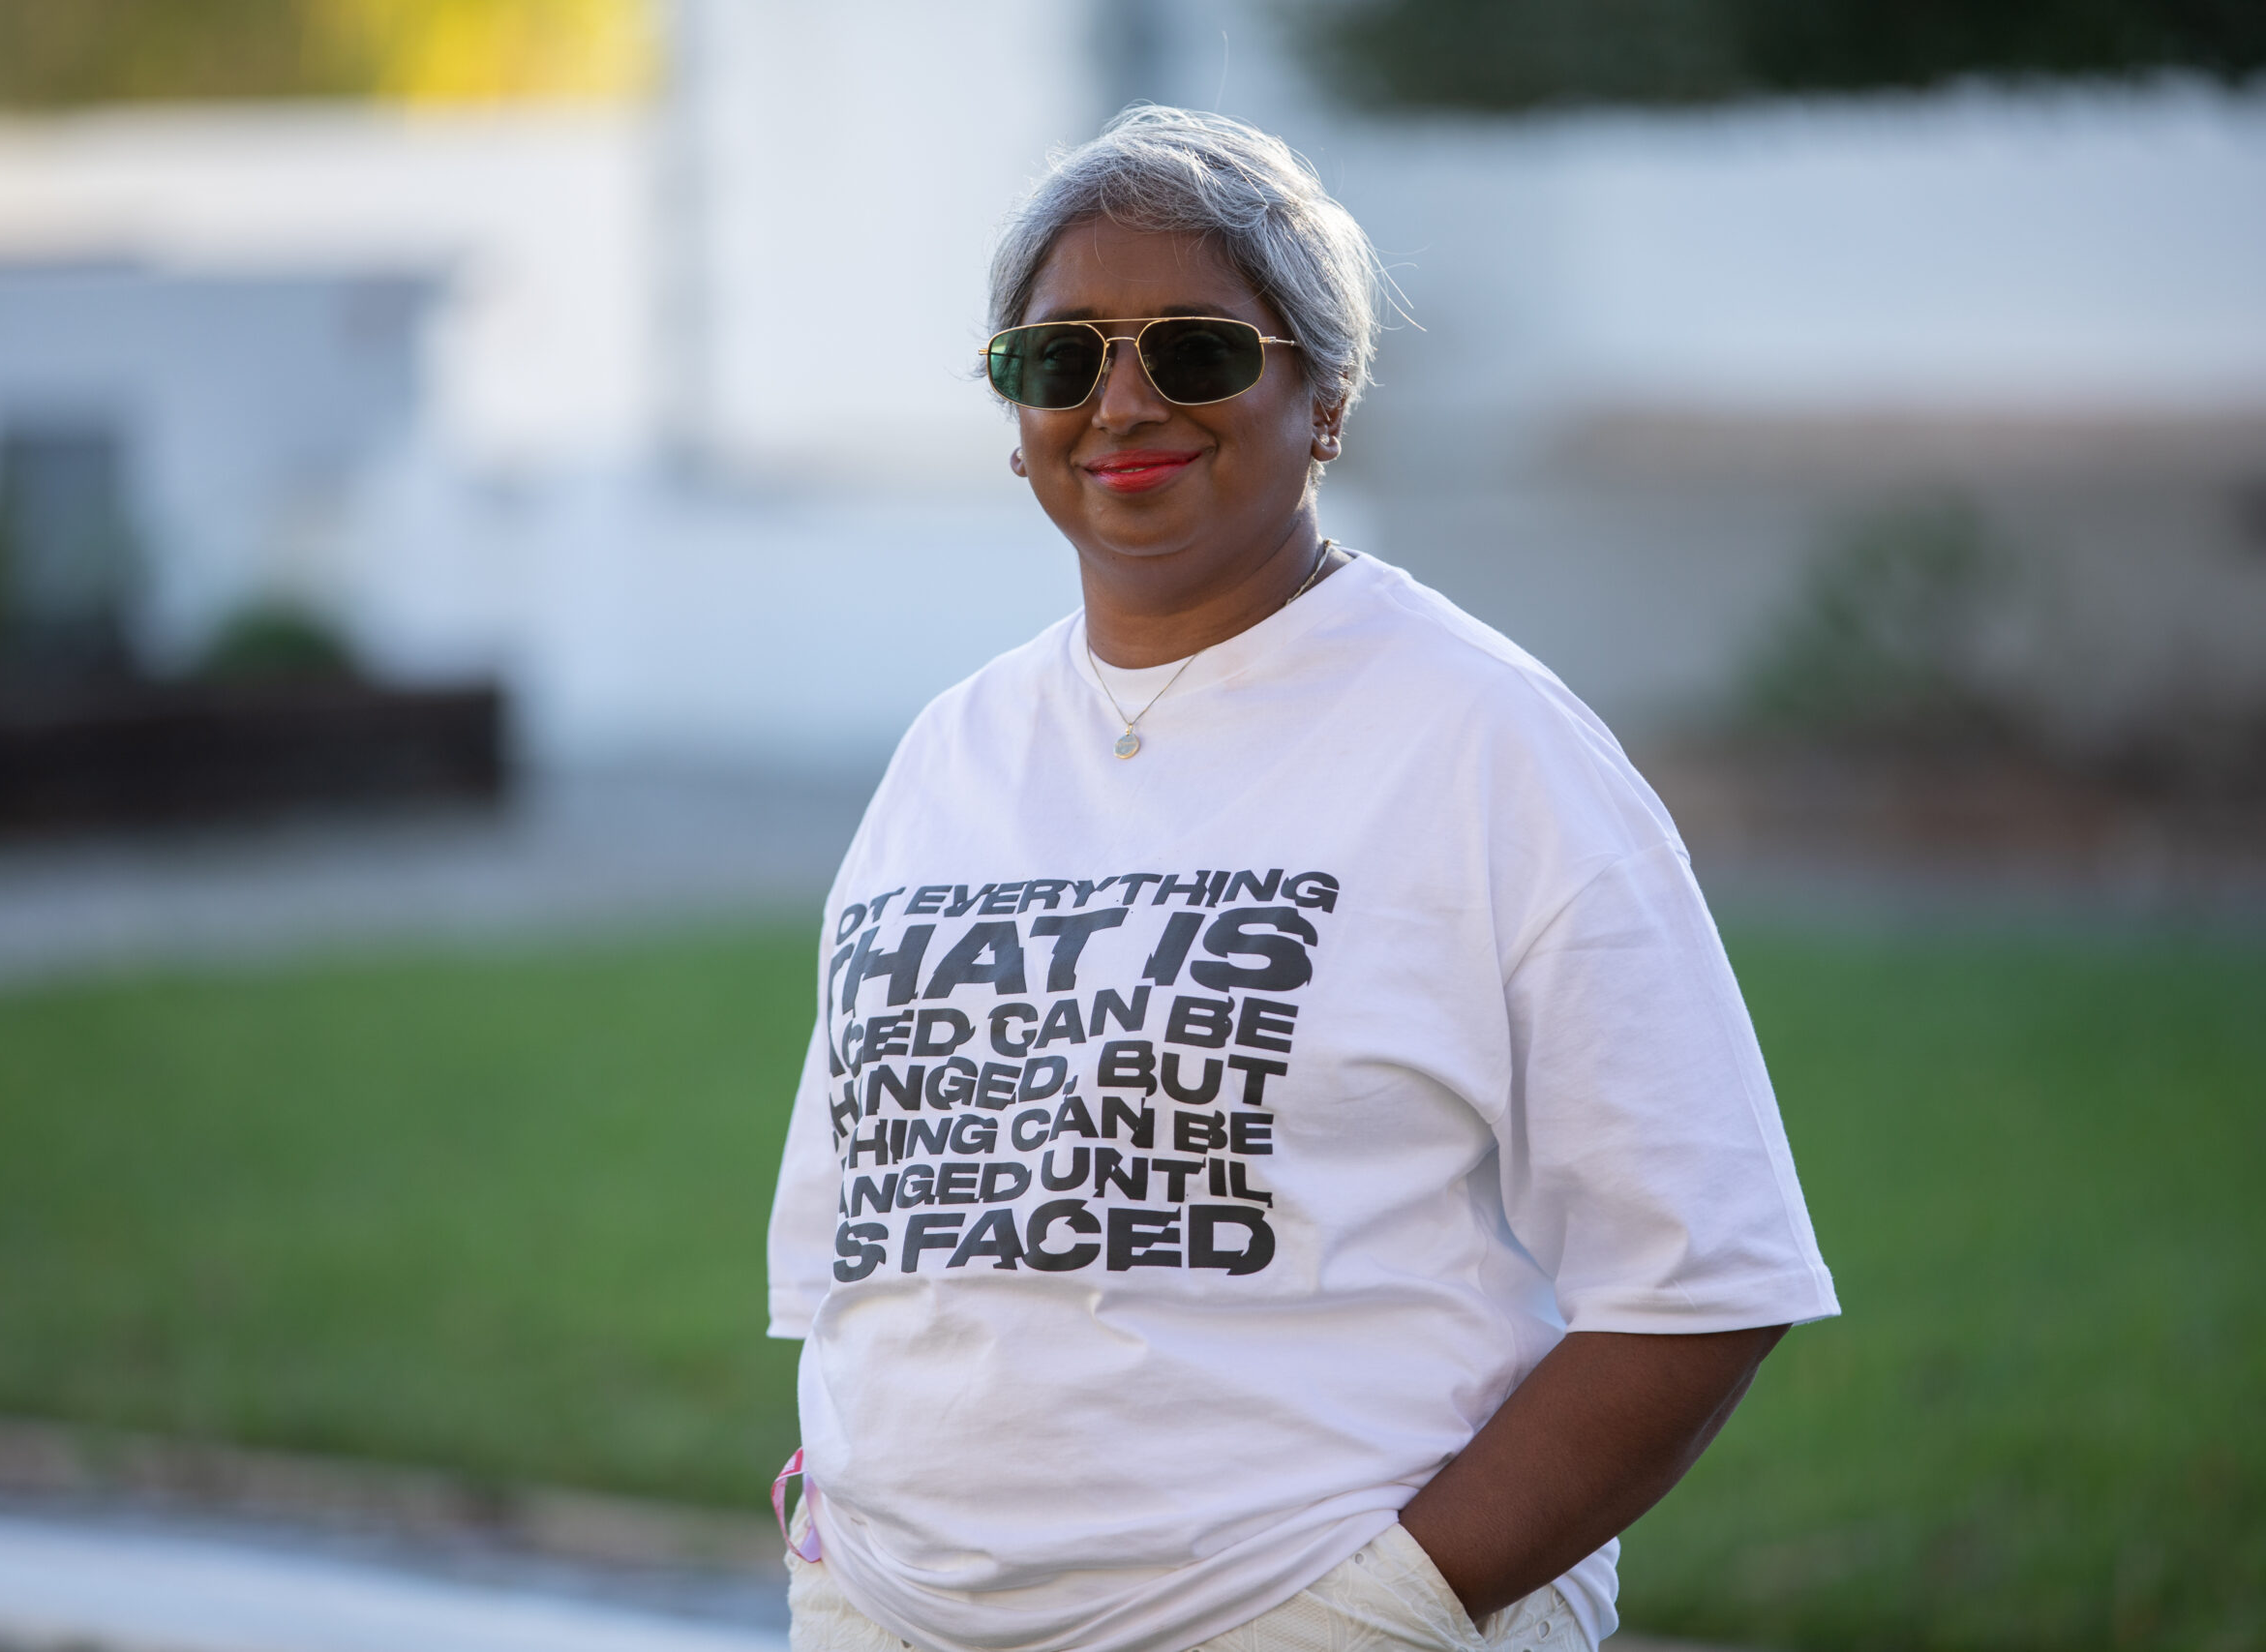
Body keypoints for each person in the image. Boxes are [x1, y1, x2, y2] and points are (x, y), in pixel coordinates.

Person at [766, 105, 1838, 1652]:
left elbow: (1704, 1275)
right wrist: (831, 1537)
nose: (1118, 400)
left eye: (1193, 350)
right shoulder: (954, 751)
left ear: (1324, 396)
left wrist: (1385, 1611)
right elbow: (864, 1237)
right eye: (1059, 358)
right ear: (1015, 418)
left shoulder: (1485, 740)